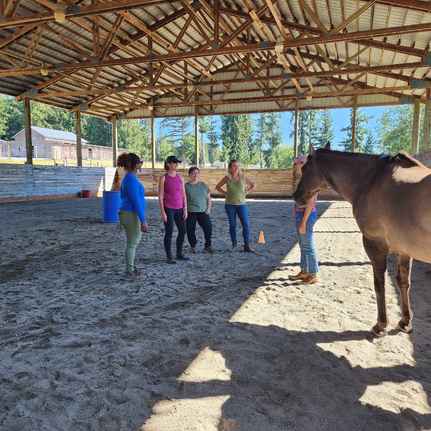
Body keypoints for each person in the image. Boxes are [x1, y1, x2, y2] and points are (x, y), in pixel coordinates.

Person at [289, 155, 319, 284]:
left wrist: (303, 222)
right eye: (296, 163)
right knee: (302, 244)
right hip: (300, 213)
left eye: (301, 162)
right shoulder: (298, 180)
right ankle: (304, 271)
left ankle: (312, 274)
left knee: (308, 245)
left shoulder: (311, 180)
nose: (298, 164)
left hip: (307, 215)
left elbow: (311, 203)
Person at [117, 152, 148, 276]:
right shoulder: (131, 180)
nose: (141, 164)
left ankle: (131, 268)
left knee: (132, 242)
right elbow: (136, 202)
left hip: (127, 213)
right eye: (139, 162)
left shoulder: (129, 178)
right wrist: (143, 220)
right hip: (131, 214)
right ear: (136, 165)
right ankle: (130, 270)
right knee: (132, 243)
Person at [215, 159, 255, 252]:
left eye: (237, 165)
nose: (236, 167)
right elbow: (217, 187)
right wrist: (225, 193)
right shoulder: (227, 177)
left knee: (246, 224)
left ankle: (246, 245)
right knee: (232, 225)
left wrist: (246, 192)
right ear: (230, 168)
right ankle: (234, 243)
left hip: (242, 205)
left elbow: (253, 185)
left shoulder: (243, 176)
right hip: (230, 205)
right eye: (234, 166)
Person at [159, 155, 189, 264]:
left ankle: (179, 253)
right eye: (174, 163)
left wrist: (185, 209)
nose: (176, 165)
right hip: (169, 208)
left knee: (183, 231)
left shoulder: (180, 177)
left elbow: (183, 194)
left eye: (177, 163)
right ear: (168, 164)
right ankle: (169, 256)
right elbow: (161, 196)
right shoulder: (164, 178)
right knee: (169, 231)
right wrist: (163, 212)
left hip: (180, 207)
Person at [185, 166, 213, 254]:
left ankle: (208, 246)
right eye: (193, 173)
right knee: (190, 229)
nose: (195, 175)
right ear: (189, 175)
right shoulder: (186, 186)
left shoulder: (203, 185)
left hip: (203, 211)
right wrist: (184, 211)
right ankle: (193, 246)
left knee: (208, 228)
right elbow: (183, 200)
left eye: (197, 173)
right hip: (191, 211)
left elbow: (209, 199)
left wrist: (208, 209)